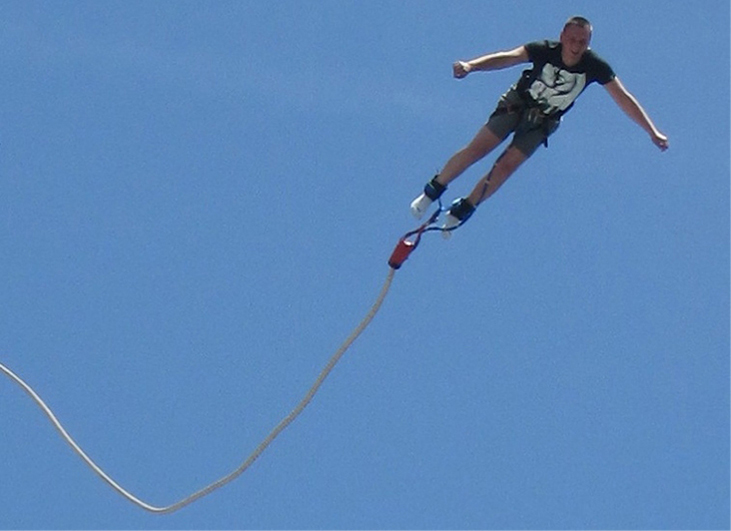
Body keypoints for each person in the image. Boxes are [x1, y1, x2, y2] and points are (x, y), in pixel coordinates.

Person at [410, 16, 669, 233]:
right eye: (572, 39)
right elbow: (507, 58)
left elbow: (623, 98)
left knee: (506, 166)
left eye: (582, 42)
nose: (576, 46)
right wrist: (471, 66)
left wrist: (651, 131)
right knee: (479, 148)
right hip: (517, 104)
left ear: (588, 43)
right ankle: (433, 191)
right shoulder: (544, 49)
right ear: (562, 36)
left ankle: (464, 208)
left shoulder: (595, 67)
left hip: (543, 121)